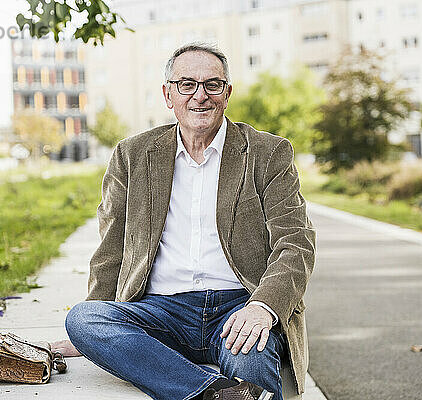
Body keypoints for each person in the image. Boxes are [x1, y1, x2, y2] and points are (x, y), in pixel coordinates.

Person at [63, 43, 316, 400]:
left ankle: (201, 387)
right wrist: (97, 338)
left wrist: (263, 307)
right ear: (168, 94)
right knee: (83, 319)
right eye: (187, 85)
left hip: (238, 308)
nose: (200, 96)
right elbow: (112, 247)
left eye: (213, 85)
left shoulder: (267, 153)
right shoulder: (132, 155)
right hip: (160, 310)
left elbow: (295, 242)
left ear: (227, 94)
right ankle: (210, 392)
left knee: (256, 372)